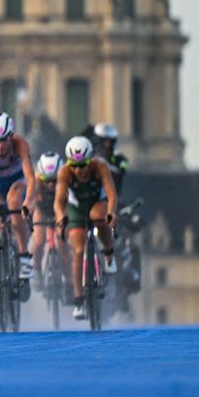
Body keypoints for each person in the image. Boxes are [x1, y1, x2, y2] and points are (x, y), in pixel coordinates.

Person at [55, 136, 118, 320]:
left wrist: (112, 212)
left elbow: (112, 195)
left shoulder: (100, 167)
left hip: (97, 202)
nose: (78, 170)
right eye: (74, 165)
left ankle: (108, 252)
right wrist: (60, 217)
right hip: (77, 207)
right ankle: (79, 300)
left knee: (99, 217)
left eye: (82, 165)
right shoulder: (65, 172)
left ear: (90, 160)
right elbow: (59, 202)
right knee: (78, 251)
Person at [0, 112, 36, 285]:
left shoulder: (20, 144)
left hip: (16, 180)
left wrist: (27, 202)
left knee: (14, 204)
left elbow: (30, 177)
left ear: (10, 136)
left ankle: (23, 255)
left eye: (4, 140)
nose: (0, 146)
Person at [28, 152, 68, 287]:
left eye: (54, 180)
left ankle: (67, 274)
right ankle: (37, 269)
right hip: (42, 210)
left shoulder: (66, 179)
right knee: (39, 240)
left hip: (60, 210)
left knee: (63, 242)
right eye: (47, 180)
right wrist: (29, 211)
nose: (51, 185)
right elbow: (30, 200)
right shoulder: (36, 180)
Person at [85, 123, 129, 199]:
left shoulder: (117, 156)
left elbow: (123, 165)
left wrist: (120, 167)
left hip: (111, 196)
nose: (107, 144)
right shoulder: (90, 154)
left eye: (110, 141)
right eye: (105, 141)